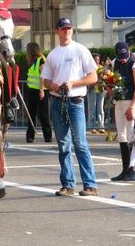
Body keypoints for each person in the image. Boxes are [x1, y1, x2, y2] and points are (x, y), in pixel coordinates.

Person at [41, 17, 99, 197]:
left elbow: (93, 77)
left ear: (72, 30)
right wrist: (55, 86)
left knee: (80, 143)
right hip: (58, 101)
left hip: (75, 102)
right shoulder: (53, 54)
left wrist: (74, 83)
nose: (66, 31)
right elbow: (46, 80)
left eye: (69, 28)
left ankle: (90, 184)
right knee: (63, 144)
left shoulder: (81, 50)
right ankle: (68, 184)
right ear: (57, 31)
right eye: (63, 28)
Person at [110, 42, 135, 181]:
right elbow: (113, 83)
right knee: (122, 135)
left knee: (132, 135)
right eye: (120, 56)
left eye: (124, 56)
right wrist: (108, 86)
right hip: (119, 101)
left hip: (131, 100)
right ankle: (125, 169)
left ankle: (134, 169)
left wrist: (133, 106)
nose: (122, 59)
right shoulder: (114, 63)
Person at [24, 42, 52, 142]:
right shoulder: (33, 62)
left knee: (43, 114)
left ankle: (47, 136)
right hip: (32, 90)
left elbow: (42, 76)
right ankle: (30, 136)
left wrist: (41, 90)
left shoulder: (41, 60)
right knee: (31, 114)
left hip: (41, 90)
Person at [88, 53, 106, 134]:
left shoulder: (101, 68)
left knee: (100, 109)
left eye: (98, 59)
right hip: (92, 89)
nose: (97, 61)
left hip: (101, 89)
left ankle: (101, 126)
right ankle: (92, 127)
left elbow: (104, 78)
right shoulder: (89, 68)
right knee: (92, 108)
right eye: (95, 59)